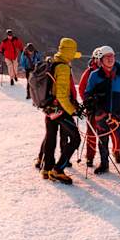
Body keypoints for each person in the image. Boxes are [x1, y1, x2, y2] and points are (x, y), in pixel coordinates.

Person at [84, 45, 120, 179]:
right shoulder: (95, 76)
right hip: (102, 113)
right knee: (103, 140)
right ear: (101, 60)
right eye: (107, 57)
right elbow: (88, 92)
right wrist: (91, 102)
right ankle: (104, 164)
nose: (110, 59)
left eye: (112, 56)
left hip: (119, 114)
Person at [40, 38, 82, 184]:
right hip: (60, 110)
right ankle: (58, 170)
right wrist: (73, 111)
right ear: (70, 52)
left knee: (51, 137)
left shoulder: (52, 62)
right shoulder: (63, 68)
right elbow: (62, 95)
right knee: (76, 138)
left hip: (48, 108)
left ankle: (47, 168)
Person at [78, 47, 120, 167]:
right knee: (92, 133)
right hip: (93, 108)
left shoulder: (109, 71)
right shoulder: (90, 72)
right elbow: (82, 90)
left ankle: (117, 151)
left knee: (112, 130)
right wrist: (88, 103)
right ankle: (90, 157)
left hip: (107, 107)